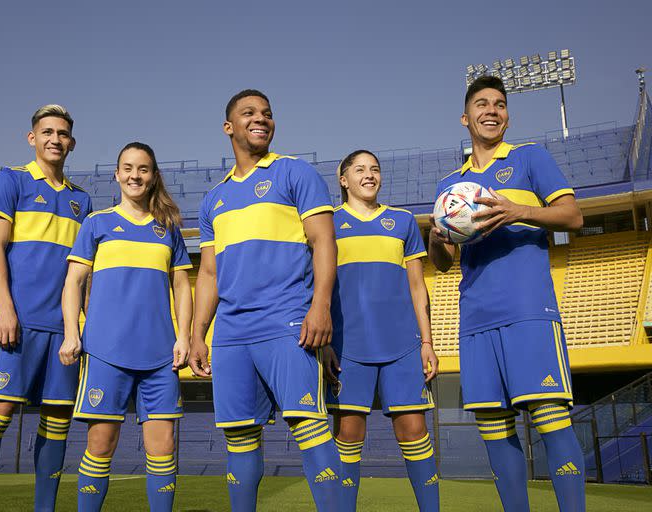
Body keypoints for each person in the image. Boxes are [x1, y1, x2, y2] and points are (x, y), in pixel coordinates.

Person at [429, 75, 585, 511]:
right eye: (482, 104)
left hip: (528, 311)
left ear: (507, 117)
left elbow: (573, 217)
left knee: (552, 422)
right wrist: (436, 237)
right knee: (495, 431)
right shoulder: (450, 188)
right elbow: (441, 262)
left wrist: (520, 211)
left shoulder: (530, 158)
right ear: (465, 117)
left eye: (499, 104)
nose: (491, 110)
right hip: (476, 319)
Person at [188, 89, 341, 511]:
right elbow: (209, 274)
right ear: (228, 127)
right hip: (233, 334)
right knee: (239, 439)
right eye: (249, 113)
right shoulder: (212, 199)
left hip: (287, 322)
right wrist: (198, 334)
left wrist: (321, 305)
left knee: (309, 429)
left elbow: (324, 241)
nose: (261, 119)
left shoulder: (295, 173)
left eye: (268, 113)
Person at [0, 105, 92, 512]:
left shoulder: (81, 200)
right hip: (20, 322)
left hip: (64, 329)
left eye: (63, 133)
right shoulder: (11, 180)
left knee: (56, 425)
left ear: (72, 142)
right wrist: (5, 308)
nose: (56, 138)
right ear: (32, 138)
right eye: (48, 131)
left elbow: (82, 275)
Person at [59, 142, 193, 511]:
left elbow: (181, 286)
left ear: (153, 177)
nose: (135, 175)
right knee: (100, 446)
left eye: (144, 169)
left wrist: (184, 336)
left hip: (159, 357)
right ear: (117, 174)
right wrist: (73, 333)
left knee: (163, 448)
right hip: (105, 353)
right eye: (128, 168)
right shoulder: (96, 223)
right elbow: (73, 283)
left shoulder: (168, 230)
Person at [325, 150, 439, 511]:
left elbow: (418, 287)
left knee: (415, 433)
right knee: (347, 435)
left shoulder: (403, 221)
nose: (369, 175)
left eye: (374, 169)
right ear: (344, 180)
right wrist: (325, 343)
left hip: (403, 346)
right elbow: (318, 287)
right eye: (359, 169)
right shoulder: (327, 223)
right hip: (346, 349)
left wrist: (427, 343)